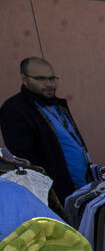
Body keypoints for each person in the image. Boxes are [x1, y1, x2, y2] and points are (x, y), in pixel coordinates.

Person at [0, 57, 90, 201]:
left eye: (52, 78)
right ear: (24, 79)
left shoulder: (57, 105)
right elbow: (24, 159)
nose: (49, 84)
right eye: (41, 79)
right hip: (55, 194)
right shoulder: (15, 109)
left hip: (83, 189)